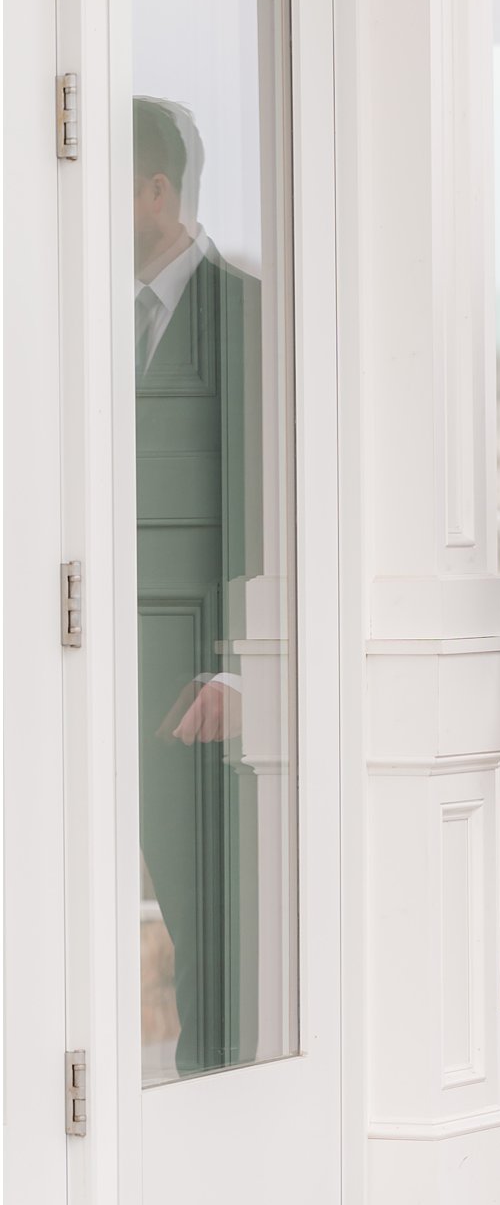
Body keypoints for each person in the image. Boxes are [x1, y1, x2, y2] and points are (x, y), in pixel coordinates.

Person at [134, 95, 260, 1076]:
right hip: (90, 663)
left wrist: (238, 665)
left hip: (196, 678)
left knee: (204, 901)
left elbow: (269, 511)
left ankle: (216, 1093)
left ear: (155, 190)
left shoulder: (249, 313)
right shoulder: (69, 319)